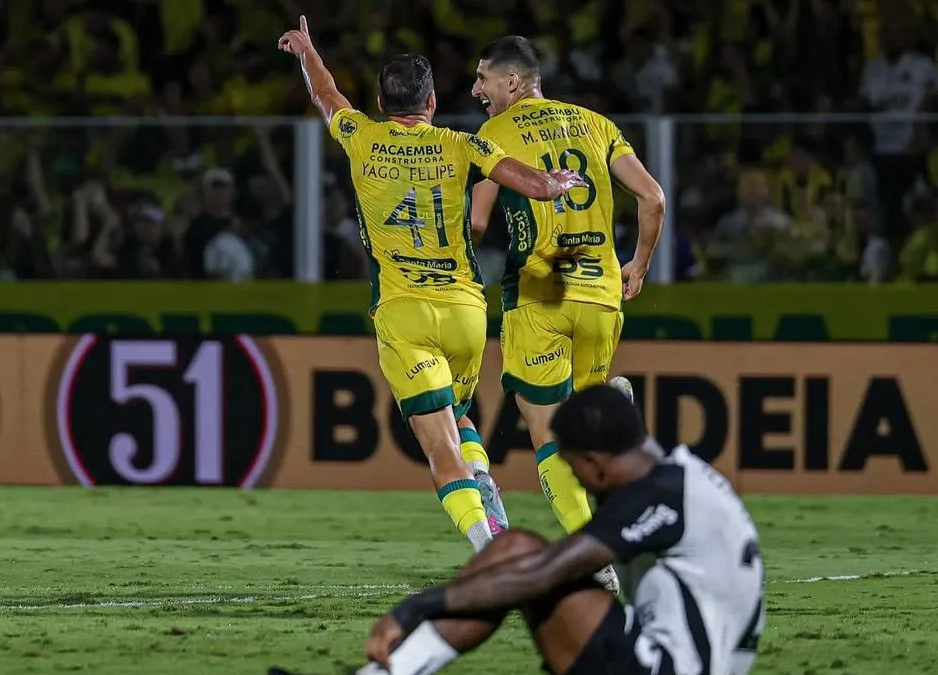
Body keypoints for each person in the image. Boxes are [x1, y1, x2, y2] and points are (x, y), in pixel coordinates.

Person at [278, 17, 588, 552]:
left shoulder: (362, 138)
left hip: (404, 314)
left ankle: (490, 545)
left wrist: (308, 52)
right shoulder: (461, 146)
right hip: (466, 313)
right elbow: (531, 183)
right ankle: (484, 482)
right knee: (459, 417)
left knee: (438, 447)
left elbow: (327, 96)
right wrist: (555, 183)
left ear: (380, 101)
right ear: (433, 101)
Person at [270, 384, 765, 675]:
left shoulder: (656, 496)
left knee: (524, 554)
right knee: (521, 553)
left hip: (668, 668)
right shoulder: (683, 478)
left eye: (573, 470)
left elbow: (543, 572)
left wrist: (415, 608)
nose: (578, 483)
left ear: (595, 462)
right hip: (671, 654)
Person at [468, 36, 667, 589]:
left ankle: (598, 559)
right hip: (602, 297)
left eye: (483, 78)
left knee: (549, 437)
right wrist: (639, 266)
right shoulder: (598, 124)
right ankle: (609, 420)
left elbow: (479, 224)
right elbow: (653, 198)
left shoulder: (493, 135)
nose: (476, 89)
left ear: (513, 82)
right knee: (586, 432)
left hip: (539, 296)